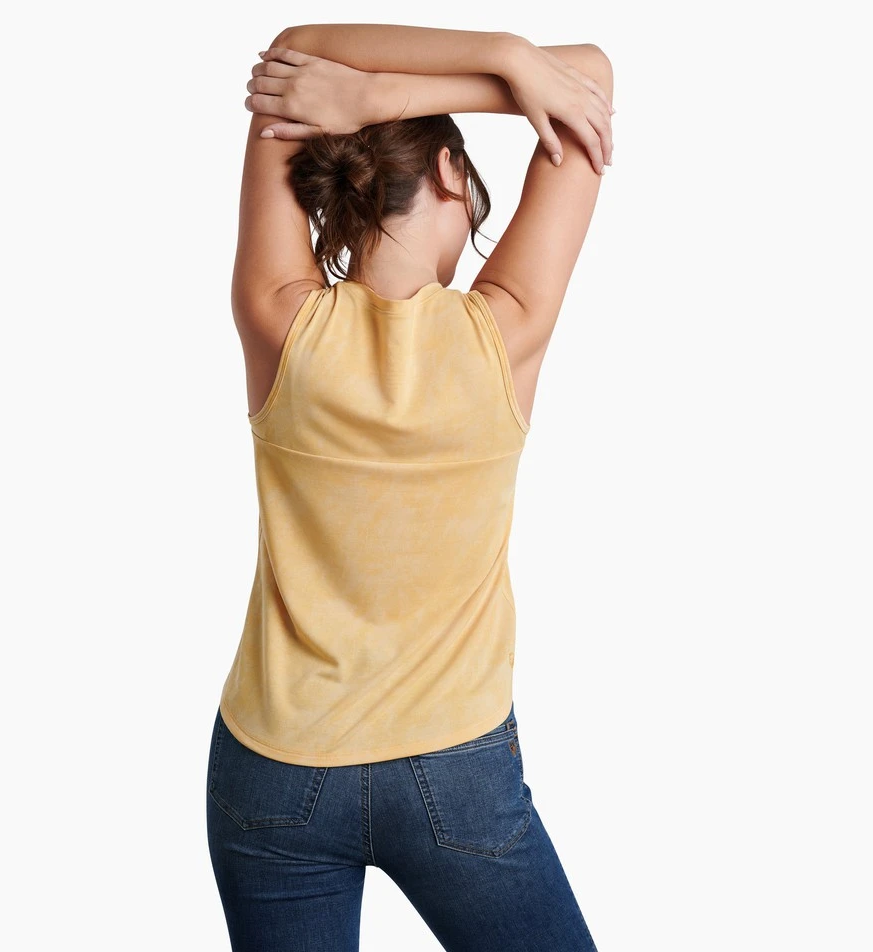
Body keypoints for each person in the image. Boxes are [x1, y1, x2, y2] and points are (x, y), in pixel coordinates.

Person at [206, 23, 614, 952]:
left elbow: (295, 47)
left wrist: (370, 96)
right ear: (449, 173)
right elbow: (588, 77)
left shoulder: (278, 322)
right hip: (454, 773)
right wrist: (466, 72)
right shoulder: (503, 334)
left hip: (275, 769)